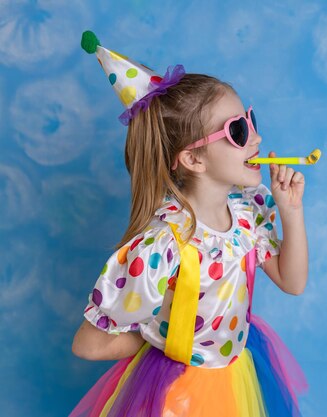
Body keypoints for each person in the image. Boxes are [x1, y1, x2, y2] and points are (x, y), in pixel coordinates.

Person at [69, 31, 309, 417]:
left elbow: (292, 282)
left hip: (235, 380)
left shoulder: (249, 213)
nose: (257, 137)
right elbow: (88, 344)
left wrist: (291, 211)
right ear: (194, 160)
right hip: (176, 398)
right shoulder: (162, 246)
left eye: (250, 119)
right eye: (238, 131)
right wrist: (169, 340)